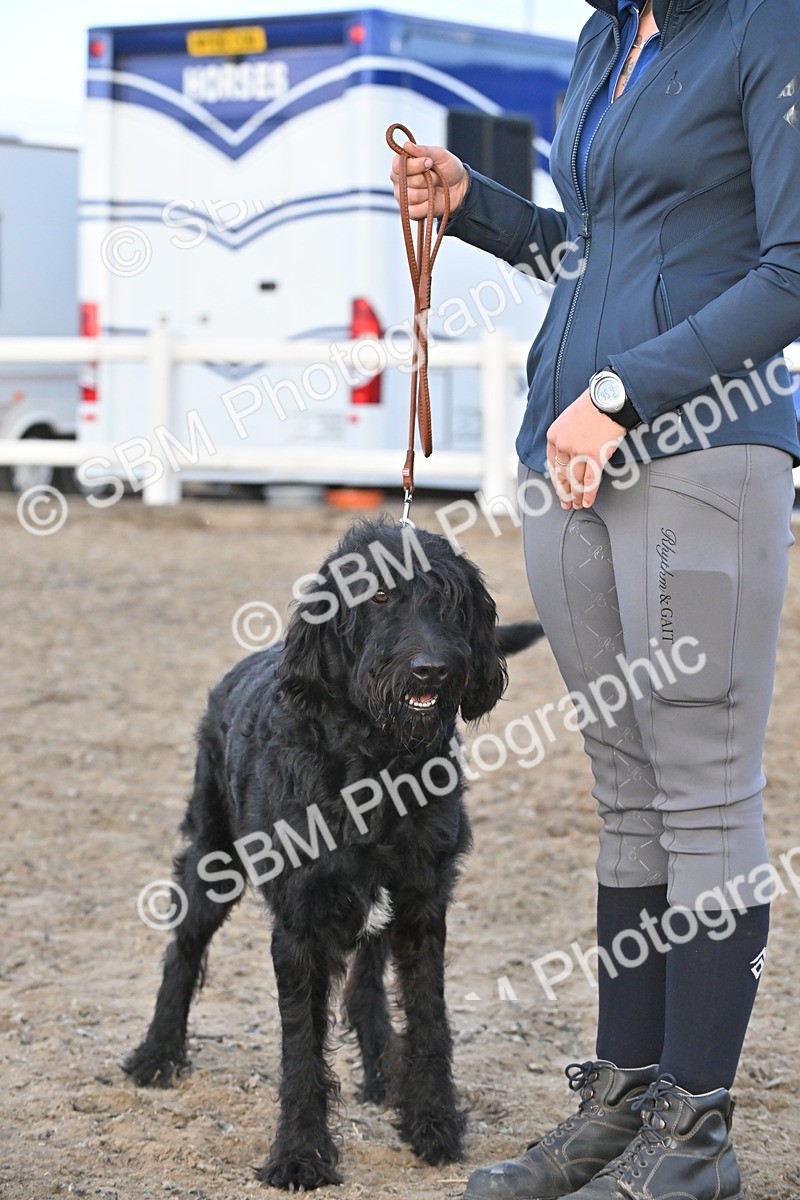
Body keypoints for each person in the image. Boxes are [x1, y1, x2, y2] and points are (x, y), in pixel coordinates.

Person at [390, 1, 800, 1197]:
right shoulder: (603, 38)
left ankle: (696, 1134)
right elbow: (601, 248)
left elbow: (788, 267)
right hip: (564, 454)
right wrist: (474, 206)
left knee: (702, 787)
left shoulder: (768, 28)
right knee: (623, 790)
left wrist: (621, 391)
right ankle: (621, 1102)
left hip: (699, 449)